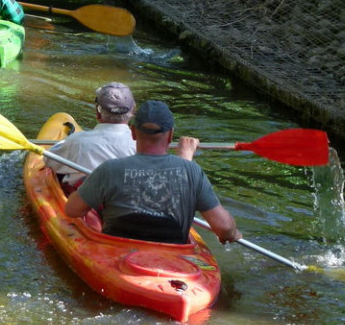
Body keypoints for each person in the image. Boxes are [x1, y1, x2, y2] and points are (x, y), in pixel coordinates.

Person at [65, 100, 242, 246]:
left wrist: (91, 187)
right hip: (174, 258)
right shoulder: (192, 171)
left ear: (133, 132)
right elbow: (224, 228)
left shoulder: (109, 169)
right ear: (171, 135)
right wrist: (233, 233)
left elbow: (72, 210)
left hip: (118, 252)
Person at [46, 83, 137, 192]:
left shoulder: (77, 142)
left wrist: (63, 143)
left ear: (98, 113)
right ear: (132, 112)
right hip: (121, 202)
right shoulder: (141, 146)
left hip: (79, 203)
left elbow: (49, 161)